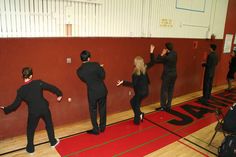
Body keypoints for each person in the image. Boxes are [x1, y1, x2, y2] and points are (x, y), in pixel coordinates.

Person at [0, 67, 63, 154]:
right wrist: (59, 94)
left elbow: (15, 105)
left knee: (30, 130)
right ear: (31, 76)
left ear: (23, 76)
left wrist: (6, 109)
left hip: (34, 112)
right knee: (49, 124)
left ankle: (30, 149)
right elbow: (50, 87)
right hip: (44, 108)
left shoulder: (21, 90)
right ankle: (53, 142)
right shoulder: (38, 83)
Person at [76, 50, 107, 135]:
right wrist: (100, 68)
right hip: (102, 90)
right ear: (89, 58)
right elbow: (103, 76)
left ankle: (96, 130)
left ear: (81, 59)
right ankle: (102, 127)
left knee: (93, 111)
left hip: (92, 92)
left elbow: (84, 79)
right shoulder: (96, 65)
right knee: (102, 109)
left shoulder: (79, 71)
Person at [117, 56, 153, 125]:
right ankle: (140, 114)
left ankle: (137, 121)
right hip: (146, 91)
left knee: (135, 104)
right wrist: (151, 52)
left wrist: (123, 82)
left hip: (140, 92)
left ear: (136, 63)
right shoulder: (144, 68)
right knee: (134, 102)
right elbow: (152, 62)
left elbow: (133, 84)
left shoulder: (135, 73)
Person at [149, 43, 177, 112]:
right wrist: (166, 53)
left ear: (167, 49)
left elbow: (154, 61)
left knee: (164, 91)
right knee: (170, 90)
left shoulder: (166, 58)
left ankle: (163, 106)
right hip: (174, 75)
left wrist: (155, 52)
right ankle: (168, 105)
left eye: (165, 48)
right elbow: (169, 55)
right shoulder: (175, 53)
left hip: (167, 76)